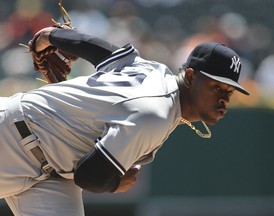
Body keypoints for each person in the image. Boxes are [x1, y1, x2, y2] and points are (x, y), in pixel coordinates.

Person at [0, 26, 249, 216]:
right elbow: (89, 177)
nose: (223, 98)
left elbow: (98, 49)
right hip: (11, 138)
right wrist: (116, 181)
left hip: (51, 174)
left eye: (229, 91)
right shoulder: (155, 112)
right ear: (192, 77)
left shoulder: (155, 72)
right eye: (217, 87)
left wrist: (49, 35)